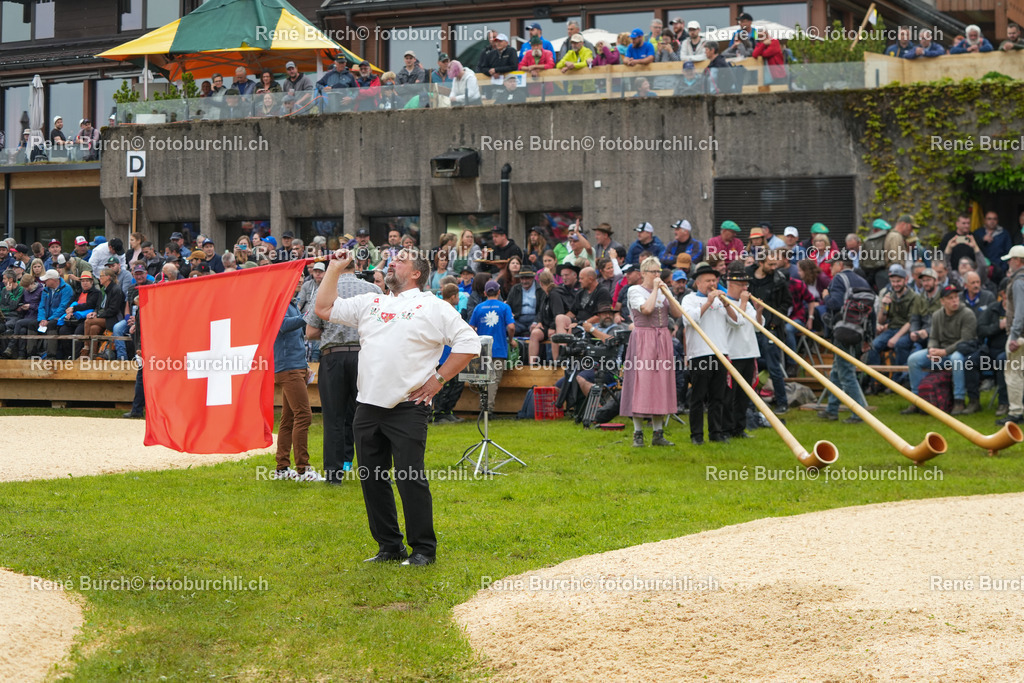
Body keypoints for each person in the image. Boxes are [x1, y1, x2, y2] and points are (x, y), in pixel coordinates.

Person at [315, 247, 481, 567]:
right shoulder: (371, 301)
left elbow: (469, 343)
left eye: (401, 259)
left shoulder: (432, 306)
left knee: (409, 478)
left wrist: (437, 380)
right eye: (393, 258)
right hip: (367, 405)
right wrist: (335, 268)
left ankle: (423, 550)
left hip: (408, 406)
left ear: (417, 272)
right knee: (372, 478)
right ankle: (389, 547)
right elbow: (323, 308)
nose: (393, 261)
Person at [305, 259, 382, 483]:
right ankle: (372, 470)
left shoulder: (324, 289)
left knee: (334, 417)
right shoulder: (373, 289)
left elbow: (310, 331)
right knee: (368, 414)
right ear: (356, 266)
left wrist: (331, 333)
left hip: (333, 357)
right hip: (364, 356)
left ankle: (333, 474)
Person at [620, 257, 683, 447]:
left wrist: (667, 293)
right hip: (643, 339)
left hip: (662, 339)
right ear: (644, 274)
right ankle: (637, 433)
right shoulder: (634, 290)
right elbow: (646, 309)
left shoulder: (663, 291)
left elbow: (678, 314)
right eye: (654, 272)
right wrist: (656, 289)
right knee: (642, 383)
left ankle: (658, 433)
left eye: (659, 272)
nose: (658, 275)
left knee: (660, 383)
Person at [272, 284, 322, 481]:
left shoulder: (290, 303)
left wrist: (304, 365)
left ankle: (282, 468)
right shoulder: (279, 303)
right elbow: (283, 326)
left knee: (289, 418)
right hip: (289, 368)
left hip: (294, 366)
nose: (300, 279)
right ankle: (303, 469)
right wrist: (309, 315)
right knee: (304, 415)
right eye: (297, 276)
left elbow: (295, 339)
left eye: (302, 275)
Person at [905, 284, 979, 415]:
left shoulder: (967, 314)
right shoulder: (937, 315)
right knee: (913, 359)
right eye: (950, 298)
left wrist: (944, 352)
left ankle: (959, 400)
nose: (954, 300)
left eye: (956, 297)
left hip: (959, 351)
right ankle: (917, 400)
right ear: (942, 301)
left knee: (956, 359)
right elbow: (933, 337)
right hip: (940, 352)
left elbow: (965, 340)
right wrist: (931, 349)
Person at [682, 262, 732, 444]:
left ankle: (716, 433)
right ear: (698, 283)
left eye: (714, 280)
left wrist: (726, 304)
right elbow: (689, 320)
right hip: (700, 354)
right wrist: (709, 301)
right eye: (708, 281)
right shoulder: (689, 299)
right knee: (698, 397)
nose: (712, 284)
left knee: (718, 396)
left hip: (721, 352)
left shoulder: (722, 299)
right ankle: (696, 435)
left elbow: (736, 322)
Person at [818, 257, 873, 422]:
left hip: (843, 332)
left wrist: (826, 296)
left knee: (847, 373)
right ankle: (832, 410)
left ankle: (860, 413)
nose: (830, 269)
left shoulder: (838, 279)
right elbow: (872, 313)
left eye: (832, 265)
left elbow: (835, 304)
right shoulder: (863, 281)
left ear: (840, 265)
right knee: (837, 370)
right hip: (859, 332)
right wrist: (869, 338)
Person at [722, 261, 764, 439]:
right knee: (729, 395)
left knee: (744, 396)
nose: (745, 288)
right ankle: (726, 428)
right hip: (733, 353)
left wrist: (760, 312)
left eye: (746, 284)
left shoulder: (746, 303)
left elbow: (757, 327)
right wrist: (745, 303)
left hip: (749, 352)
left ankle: (739, 428)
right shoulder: (724, 302)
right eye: (742, 285)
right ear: (731, 285)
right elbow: (737, 321)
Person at [470, 280, 516, 414]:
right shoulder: (504, 307)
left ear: (485, 293)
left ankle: (483, 406)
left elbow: (470, 327)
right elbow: (511, 326)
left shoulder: (479, 308)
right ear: (499, 292)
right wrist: (511, 339)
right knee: (493, 380)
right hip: (498, 349)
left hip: (482, 350)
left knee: (482, 378)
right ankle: (487, 409)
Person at [1000, 245, 1024, 424]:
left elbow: (1021, 312)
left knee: (1013, 373)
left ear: (1018, 261)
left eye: (1011, 259)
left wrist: (1014, 336)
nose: (1009, 263)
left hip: (1020, 335)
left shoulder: (1018, 281)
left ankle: (1015, 412)